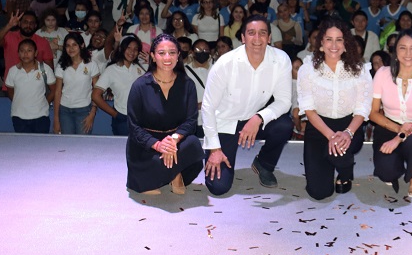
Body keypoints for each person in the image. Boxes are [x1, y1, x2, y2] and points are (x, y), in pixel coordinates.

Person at [201, 14, 294, 195]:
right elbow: (208, 107)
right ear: (243, 38)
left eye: (262, 33)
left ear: (269, 37)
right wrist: (214, 148)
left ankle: (264, 164)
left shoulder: (281, 60)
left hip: (253, 119)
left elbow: (284, 101)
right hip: (225, 124)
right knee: (218, 187)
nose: (257, 39)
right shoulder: (226, 63)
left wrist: (259, 118)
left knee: (284, 125)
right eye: (251, 33)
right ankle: (206, 155)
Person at [296, 18, 372, 200]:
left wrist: (347, 133)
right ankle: (329, 160)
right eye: (329, 39)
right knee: (319, 193)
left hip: (349, 127)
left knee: (339, 155)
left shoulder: (359, 70)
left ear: (346, 43)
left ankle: (345, 173)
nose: (334, 45)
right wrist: (330, 136)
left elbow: (362, 108)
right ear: (321, 42)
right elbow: (309, 110)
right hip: (319, 127)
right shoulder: (307, 69)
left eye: (339, 39)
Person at [125, 34, 205, 195]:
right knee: (151, 165)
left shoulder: (187, 84)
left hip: (175, 141)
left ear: (178, 57)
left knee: (193, 143)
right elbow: (134, 126)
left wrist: (173, 141)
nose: (167, 57)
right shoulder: (140, 85)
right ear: (153, 56)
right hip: (147, 145)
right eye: (161, 53)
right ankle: (172, 172)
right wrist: (158, 145)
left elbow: (190, 121)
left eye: (172, 52)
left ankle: (174, 173)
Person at [368, 29, 412, 197]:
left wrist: (399, 138)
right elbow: (372, 113)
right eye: (402, 48)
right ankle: (399, 159)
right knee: (386, 173)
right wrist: (397, 131)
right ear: (395, 50)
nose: (408, 53)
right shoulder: (383, 73)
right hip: (388, 125)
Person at [93, 34, 144, 136]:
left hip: (140, 119)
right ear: (122, 49)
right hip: (122, 119)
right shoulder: (111, 70)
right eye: (128, 48)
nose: (132, 52)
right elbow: (95, 95)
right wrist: (115, 114)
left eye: (135, 49)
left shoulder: (140, 69)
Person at [4, 39, 56, 133]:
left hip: (41, 117)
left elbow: (53, 91)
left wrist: (45, 103)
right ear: (18, 54)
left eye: (29, 50)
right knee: (22, 146)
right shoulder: (13, 71)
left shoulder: (45, 69)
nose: (25, 54)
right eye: (22, 51)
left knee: (40, 146)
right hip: (19, 117)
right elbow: (10, 91)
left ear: (36, 53)